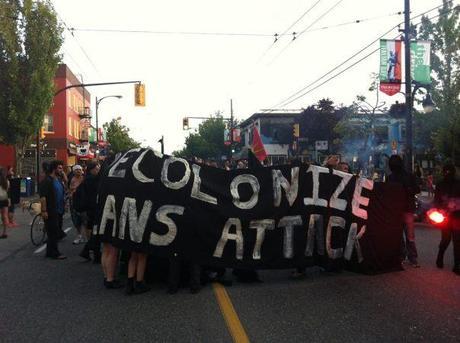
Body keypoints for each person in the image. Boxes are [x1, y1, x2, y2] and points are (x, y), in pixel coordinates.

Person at [387, 155, 420, 267]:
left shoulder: (391, 177)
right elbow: (417, 189)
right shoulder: (408, 176)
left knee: (401, 235)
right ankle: (411, 258)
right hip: (405, 208)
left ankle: (403, 257)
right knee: (409, 235)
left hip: (398, 209)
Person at [434, 163, 460, 275]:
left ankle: (457, 265)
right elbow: (436, 200)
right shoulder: (440, 185)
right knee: (446, 239)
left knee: (457, 241)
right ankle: (440, 256)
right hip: (445, 216)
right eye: (446, 172)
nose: (447, 174)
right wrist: (440, 210)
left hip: (457, 215)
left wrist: (455, 205)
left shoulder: (458, 183)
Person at [39, 160, 66, 259]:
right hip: (50, 210)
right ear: (54, 169)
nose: (61, 170)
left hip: (58, 210)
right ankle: (54, 253)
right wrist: (44, 210)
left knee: (54, 232)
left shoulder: (57, 180)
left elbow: (61, 193)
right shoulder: (47, 181)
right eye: (59, 168)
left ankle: (50, 252)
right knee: (53, 232)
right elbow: (43, 197)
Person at [79, 162, 102, 263]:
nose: (98, 170)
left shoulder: (87, 179)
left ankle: (95, 254)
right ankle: (87, 251)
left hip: (90, 208)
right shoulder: (91, 179)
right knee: (96, 232)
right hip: (93, 209)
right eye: (97, 169)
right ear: (92, 169)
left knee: (95, 231)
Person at [69, 165, 85, 244]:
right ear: (73, 171)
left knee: (86, 221)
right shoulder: (72, 179)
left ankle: (87, 238)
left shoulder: (85, 179)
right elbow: (70, 189)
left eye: (79, 170)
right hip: (74, 202)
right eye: (76, 170)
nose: (78, 171)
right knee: (76, 221)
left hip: (84, 202)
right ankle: (79, 236)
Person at [0, 167, 10, 239]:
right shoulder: (6, 181)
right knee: (5, 216)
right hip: (5, 199)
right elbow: (7, 190)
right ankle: (5, 232)